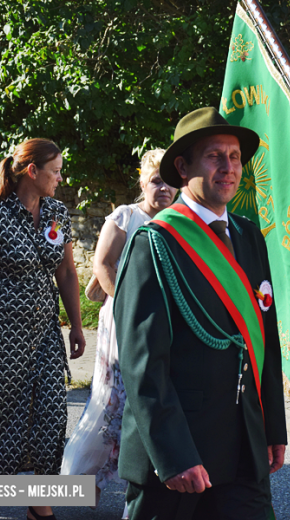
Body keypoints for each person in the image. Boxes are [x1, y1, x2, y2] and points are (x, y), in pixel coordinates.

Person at [113, 107, 287, 520]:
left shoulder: (248, 237)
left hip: (243, 446)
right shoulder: (154, 243)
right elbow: (142, 365)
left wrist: (273, 427)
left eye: (235, 157)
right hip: (179, 455)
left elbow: (265, 340)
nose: (228, 168)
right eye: (214, 156)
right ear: (182, 166)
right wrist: (174, 456)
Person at [0, 138, 86, 520]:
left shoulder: (58, 213)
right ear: (32, 171)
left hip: (44, 336)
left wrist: (76, 325)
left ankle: (39, 507)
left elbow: (68, 272)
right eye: (55, 171)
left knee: (49, 417)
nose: (60, 177)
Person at [61, 149, 177, 506]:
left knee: (148, 398)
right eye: (156, 180)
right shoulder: (126, 216)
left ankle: (141, 489)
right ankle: (73, 488)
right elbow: (102, 264)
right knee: (113, 399)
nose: (163, 189)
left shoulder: (179, 220)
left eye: (170, 182)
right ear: (141, 180)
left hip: (163, 322)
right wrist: (131, 307)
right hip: (124, 320)